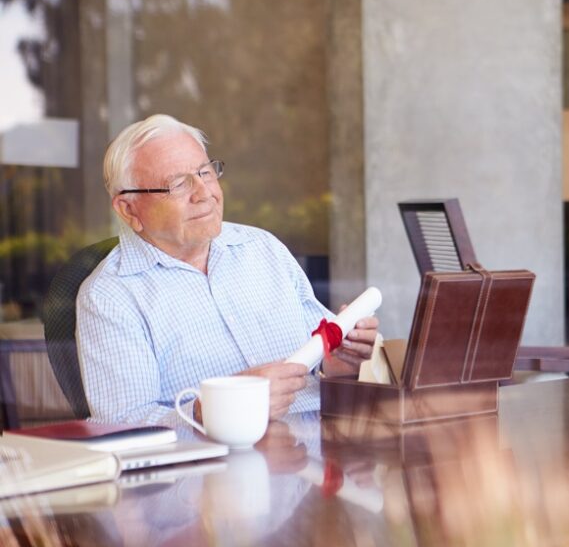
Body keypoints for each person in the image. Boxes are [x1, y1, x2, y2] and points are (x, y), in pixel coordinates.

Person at [77, 114, 378, 425]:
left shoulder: (263, 248)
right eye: (178, 184)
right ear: (129, 209)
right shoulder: (109, 296)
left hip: (322, 446)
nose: (204, 193)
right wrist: (215, 409)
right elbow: (121, 424)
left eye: (205, 172)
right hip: (214, 465)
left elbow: (323, 363)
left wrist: (340, 363)